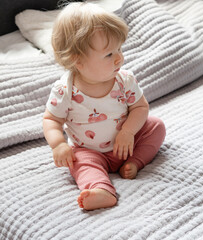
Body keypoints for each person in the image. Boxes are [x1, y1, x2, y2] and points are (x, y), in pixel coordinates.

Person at [43, 2, 166, 211]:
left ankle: (135, 163)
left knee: (156, 126)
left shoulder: (124, 80)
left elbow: (140, 107)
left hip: (127, 144)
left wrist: (128, 132)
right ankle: (101, 190)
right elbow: (51, 120)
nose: (119, 58)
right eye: (109, 54)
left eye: (119, 48)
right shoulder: (65, 90)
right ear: (78, 61)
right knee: (79, 163)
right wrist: (59, 145)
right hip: (89, 150)